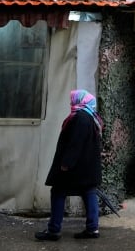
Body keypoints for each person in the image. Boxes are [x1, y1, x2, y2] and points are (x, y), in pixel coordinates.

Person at [35, 89, 103, 241]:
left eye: (73, 99)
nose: (70, 102)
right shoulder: (91, 117)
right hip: (88, 167)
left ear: (80, 101)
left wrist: (66, 163)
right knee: (89, 192)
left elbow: (75, 143)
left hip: (75, 167)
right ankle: (92, 229)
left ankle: (54, 230)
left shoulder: (80, 118)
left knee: (58, 192)